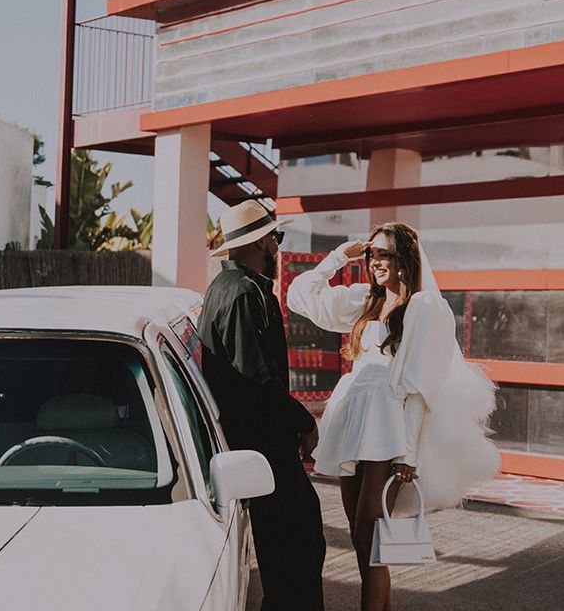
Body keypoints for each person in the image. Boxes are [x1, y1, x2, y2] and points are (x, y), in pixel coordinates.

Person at [287, 222, 499, 611]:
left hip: (389, 423)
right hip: (354, 415)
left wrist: (409, 456)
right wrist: (339, 257)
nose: (375, 262)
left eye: (385, 254)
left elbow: (422, 386)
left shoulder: (425, 307)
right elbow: (301, 297)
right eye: (373, 254)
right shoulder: (365, 299)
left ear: (405, 260)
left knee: (371, 531)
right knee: (358, 533)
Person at [197, 200, 325, 611]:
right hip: (262, 450)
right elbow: (256, 381)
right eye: (276, 237)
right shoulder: (243, 295)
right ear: (260, 243)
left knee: (293, 554)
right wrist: (304, 422)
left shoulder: (229, 289)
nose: (278, 245)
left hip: (257, 447)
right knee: (295, 557)